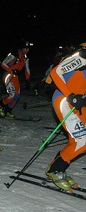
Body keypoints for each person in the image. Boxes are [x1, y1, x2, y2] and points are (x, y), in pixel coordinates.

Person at [45, 43, 86, 191]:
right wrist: (71, 96)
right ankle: (55, 169)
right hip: (65, 100)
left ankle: (56, 164)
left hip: (81, 102)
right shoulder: (83, 54)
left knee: (77, 140)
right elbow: (56, 72)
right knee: (83, 140)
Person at [0, 39, 32, 118]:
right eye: (25, 48)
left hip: (15, 77)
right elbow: (3, 63)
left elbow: (27, 68)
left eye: (28, 48)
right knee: (12, 94)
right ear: (21, 48)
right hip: (8, 75)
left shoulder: (25, 57)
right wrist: (11, 70)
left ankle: (8, 110)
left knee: (17, 95)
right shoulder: (14, 55)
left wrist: (28, 79)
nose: (27, 50)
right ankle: (0, 105)